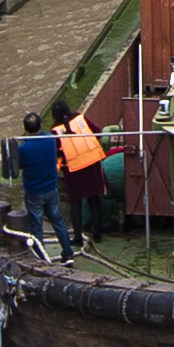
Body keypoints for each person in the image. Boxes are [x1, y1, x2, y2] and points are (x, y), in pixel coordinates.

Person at [18, 111, 76, 265]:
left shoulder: (24, 149)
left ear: (25, 128)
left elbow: (18, 166)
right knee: (58, 221)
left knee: (36, 227)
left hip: (34, 192)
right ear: (41, 125)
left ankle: (41, 259)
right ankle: (68, 253)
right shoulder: (50, 139)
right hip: (51, 189)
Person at [51, 99, 108, 247]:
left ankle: (77, 237)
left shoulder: (55, 129)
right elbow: (98, 132)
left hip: (74, 169)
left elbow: (56, 151)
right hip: (92, 164)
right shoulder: (80, 118)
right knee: (94, 198)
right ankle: (98, 233)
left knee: (75, 202)